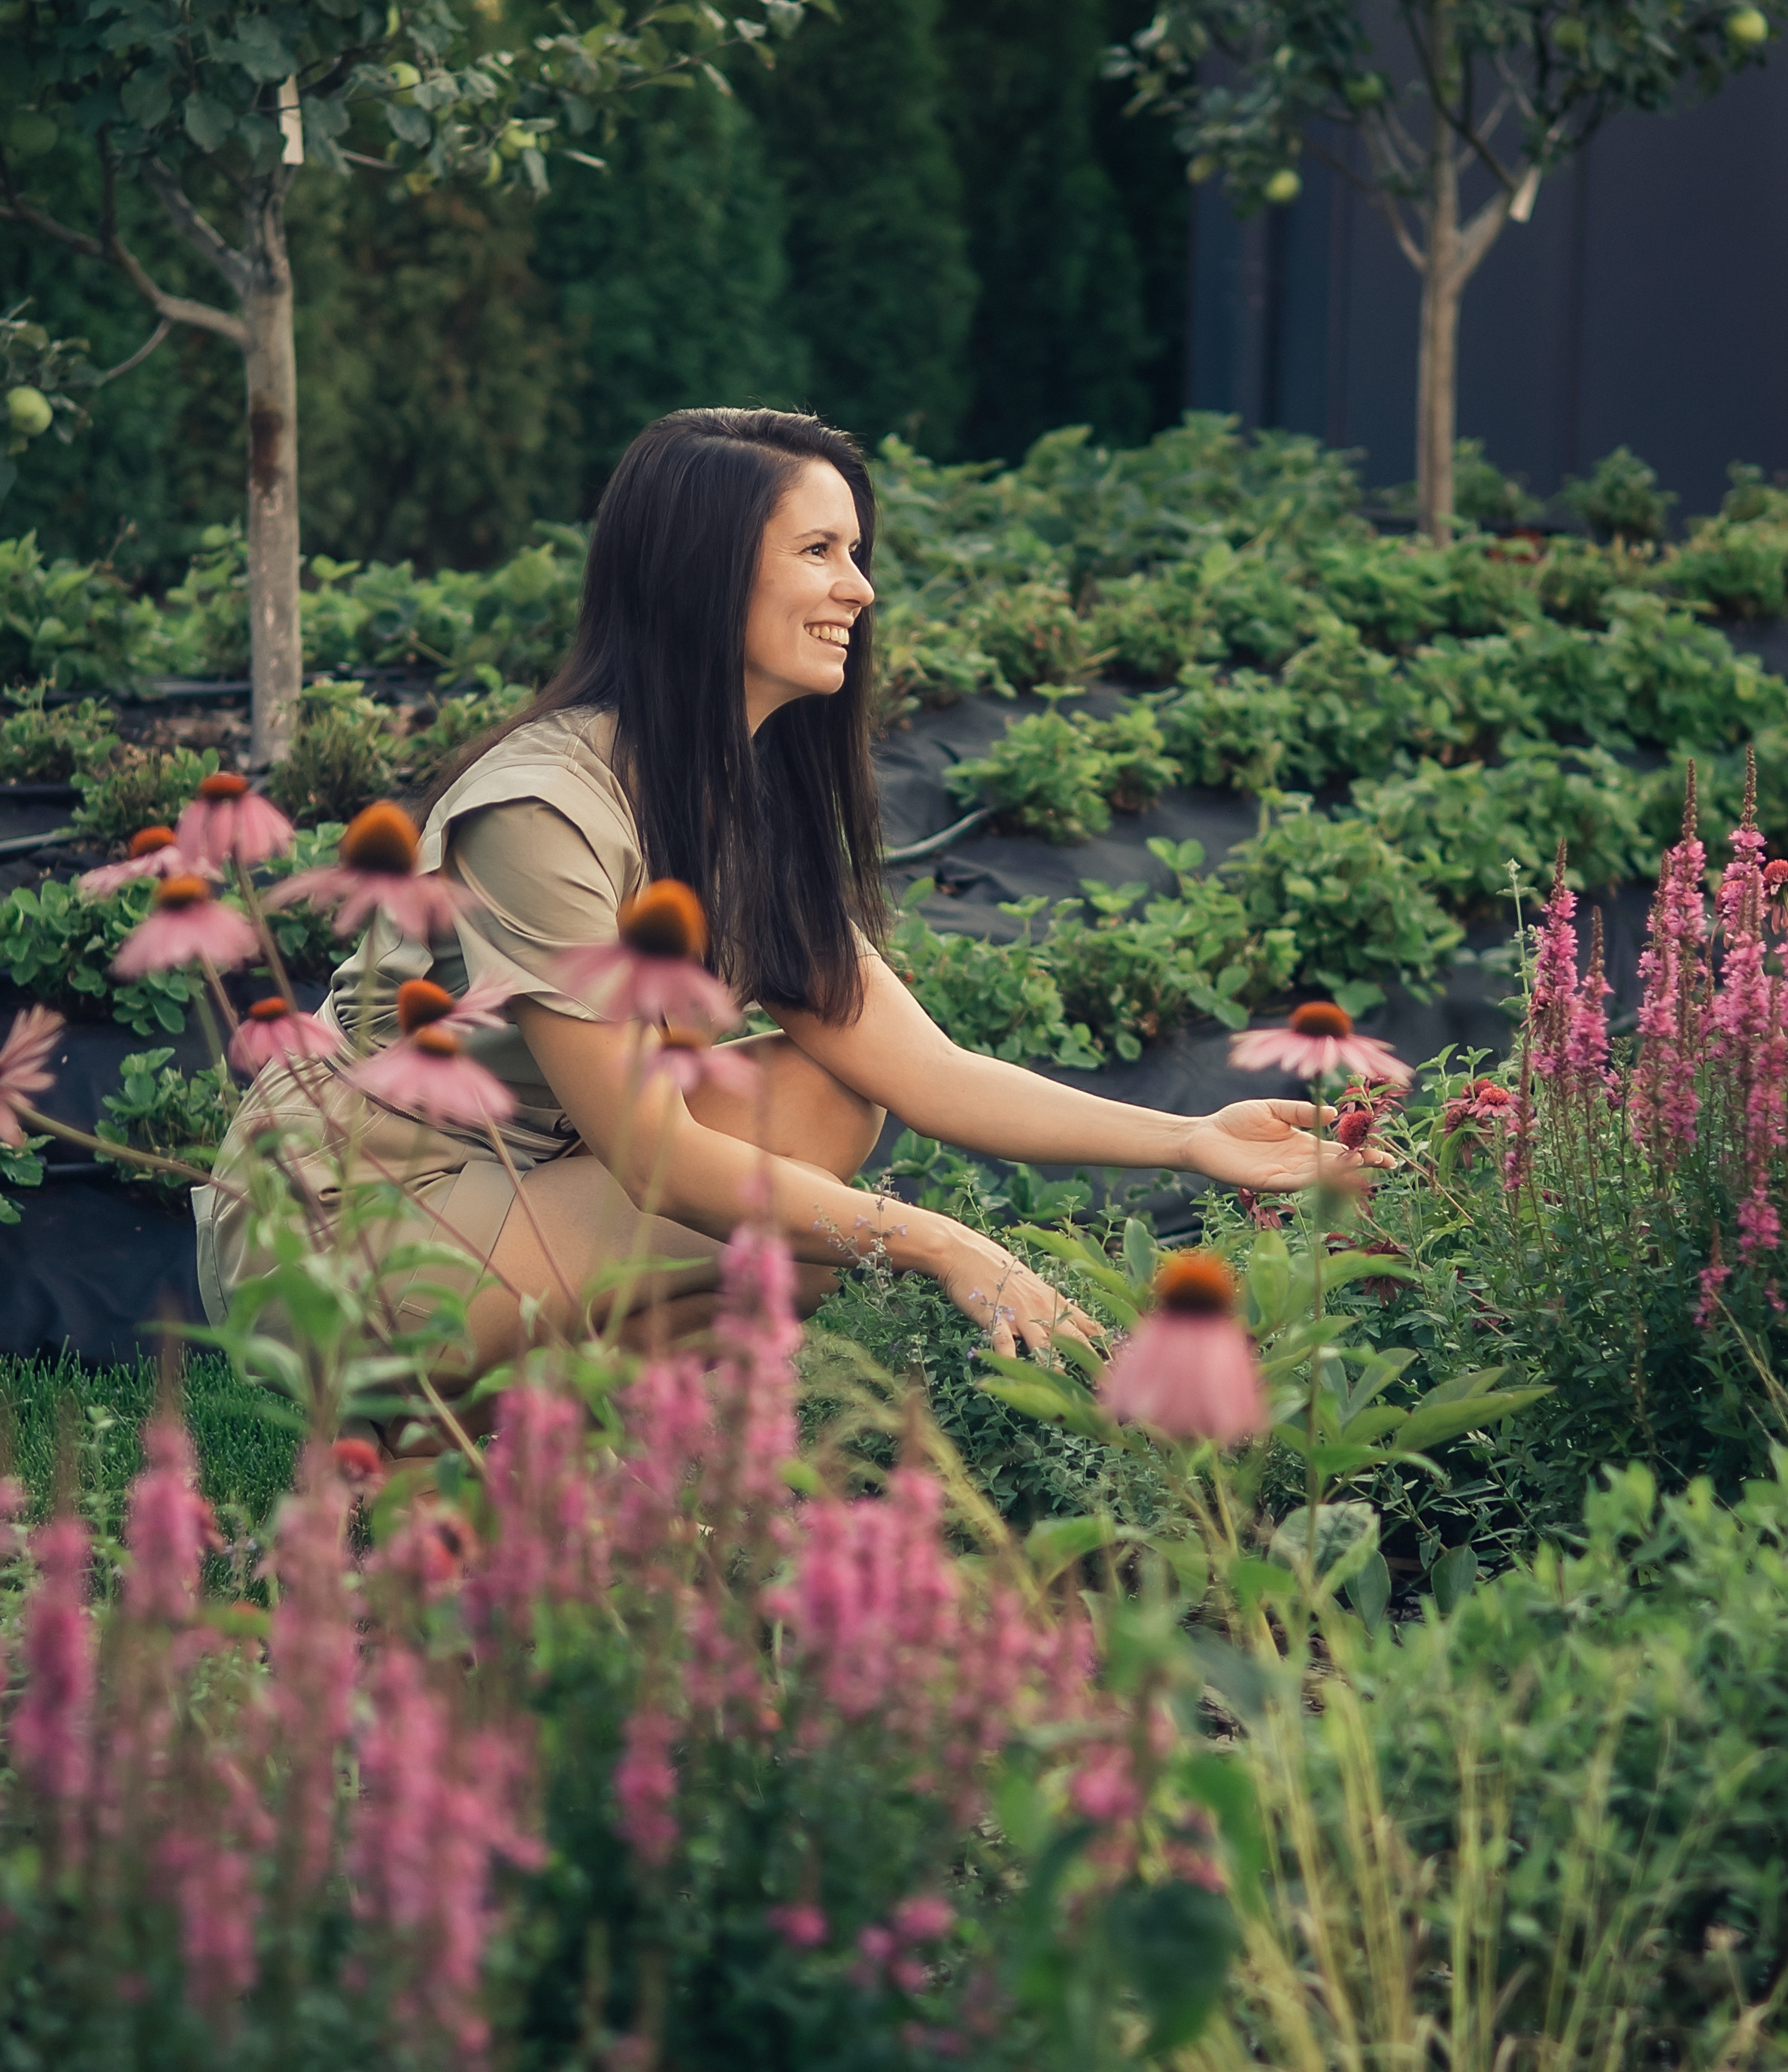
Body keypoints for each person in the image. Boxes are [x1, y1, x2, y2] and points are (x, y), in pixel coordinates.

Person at [198, 406, 1369, 1366]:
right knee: (796, 1235)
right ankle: (404, 1429)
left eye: (855, 553)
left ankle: (548, 1445)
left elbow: (931, 1075)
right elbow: (654, 1157)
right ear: (705, 578)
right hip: (354, 1227)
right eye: (819, 552)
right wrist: (951, 1244)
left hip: (523, 1183)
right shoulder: (539, 811)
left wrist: (1190, 1139)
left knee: (826, 1101)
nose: (858, 589)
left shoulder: (735, 796)